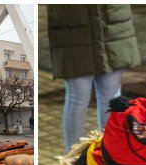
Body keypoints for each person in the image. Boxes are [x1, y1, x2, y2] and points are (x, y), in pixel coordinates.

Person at [47, 5, 140, 152]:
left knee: (111, 98)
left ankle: (111, 154)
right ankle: (72, 159)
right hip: (74, 25)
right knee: (79, 96)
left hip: (111, 23)